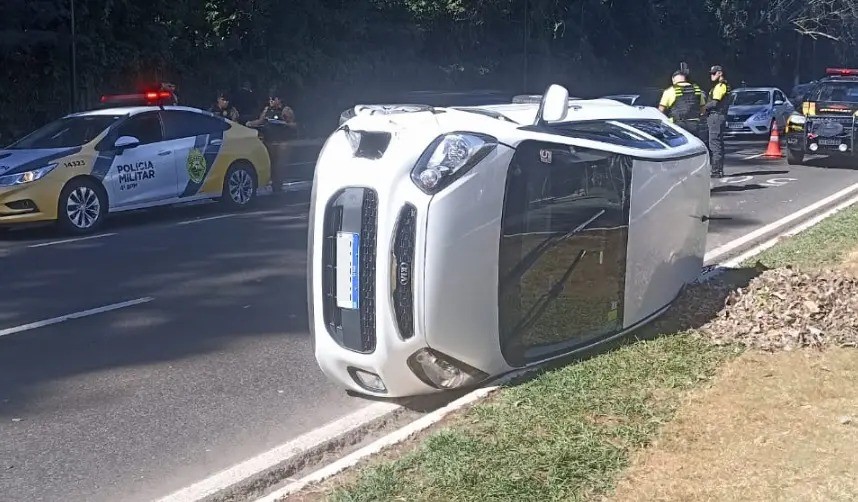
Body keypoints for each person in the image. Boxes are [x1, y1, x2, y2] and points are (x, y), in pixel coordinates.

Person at [658, 71, 705, 137]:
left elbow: (660, 111)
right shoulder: (697, 90)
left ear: (673, 80)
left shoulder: (670, 90)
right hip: (694, 124)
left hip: (677, 125)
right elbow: (703, 109)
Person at [705, 65, 731, 178]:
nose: (711, 75)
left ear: (720, 73)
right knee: (718, 143)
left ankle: (716, 170)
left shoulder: (720, 86)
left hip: (716, 116)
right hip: (719, 116)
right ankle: (718, 169)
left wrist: (703, 108)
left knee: (714, 144)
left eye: (713, 73)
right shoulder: (721, 85)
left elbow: (715, 102)